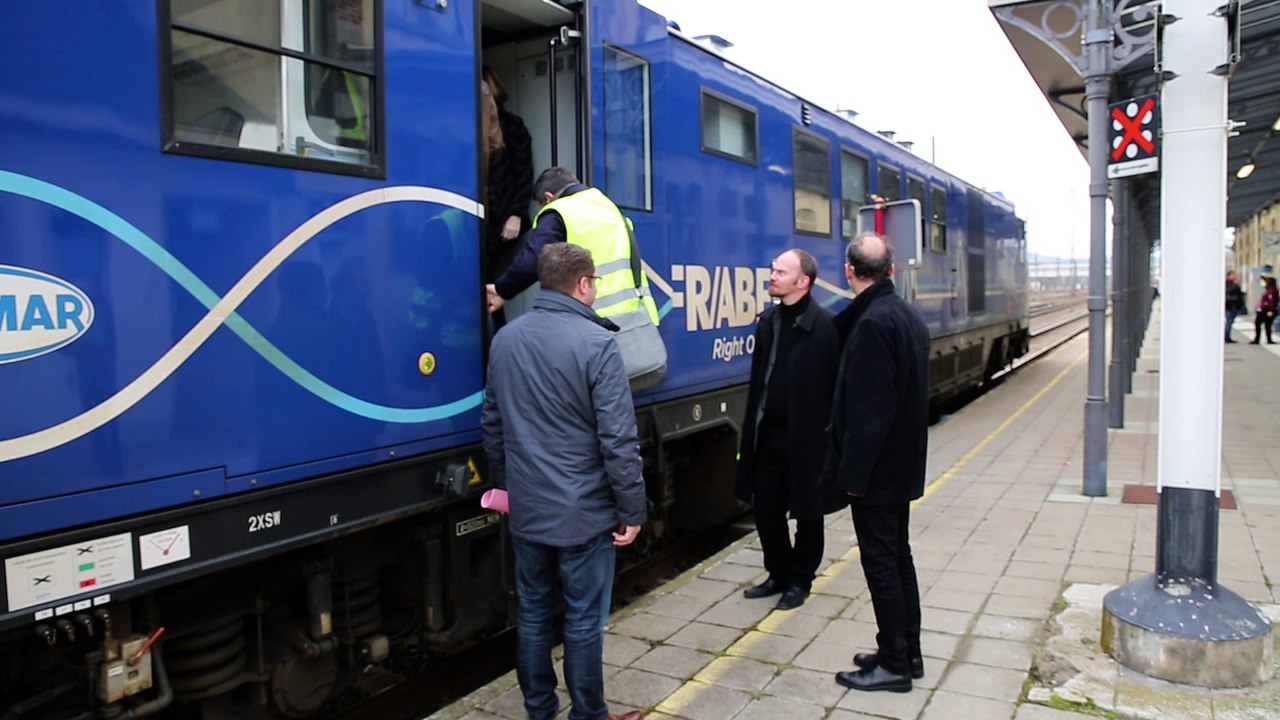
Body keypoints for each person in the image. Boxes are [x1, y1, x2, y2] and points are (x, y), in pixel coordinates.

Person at [481, 243, 647, 720]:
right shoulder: (597, 344)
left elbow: (492, 425)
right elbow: (618, 439)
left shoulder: (507, 339)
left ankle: (539, 709)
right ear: (584, 284)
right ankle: (589, 715)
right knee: (582, 621)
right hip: (585, 513)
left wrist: (508, 486)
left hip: (528, 509)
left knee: (532, 613)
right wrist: (632, 510)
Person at [824, 232, 929, 694]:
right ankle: (907, 651)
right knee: (899, 559)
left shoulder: (871, 324)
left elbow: (870, 412)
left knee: (882, 564)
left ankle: (893, 666)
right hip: (902, 465)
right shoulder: (905, 315)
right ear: (891, 269)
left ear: (849, 271)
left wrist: (853, 479)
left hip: (879, 473)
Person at [736, 249, 844, 611]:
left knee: (808, 513)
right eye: (773, 269)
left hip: (808, 441)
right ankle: (777, 573)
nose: (772, 275)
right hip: (768, 436)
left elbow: (836, 388)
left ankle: (801, 580)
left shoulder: (826, 327)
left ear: (803, 282)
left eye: (781, 272)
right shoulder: (768, 322)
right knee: (767, 510)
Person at [485, 167, 659, 329]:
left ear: (547, 197)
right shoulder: (607, 205)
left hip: (594, 322)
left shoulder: (560, 210)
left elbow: (532, 260)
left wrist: (502, 290)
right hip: (636, 319)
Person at [482, 66, 534, 282]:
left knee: (492, 278)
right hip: (487, 209)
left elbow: (523, 171)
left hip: (503, 211)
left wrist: (516, 214)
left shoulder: (512, 125)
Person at [1252, 276, 1277, 344]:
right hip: (1265, 310)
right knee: (1267, 325)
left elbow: (1271, 301)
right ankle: (1268, 340)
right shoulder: (1271, 289)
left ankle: (1258, 339)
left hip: (1265, 310)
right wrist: (1262, 277)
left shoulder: (1271, 291)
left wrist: (1271, 310)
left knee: (1260, 324)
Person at [1225, 270, 1247, 343]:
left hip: (1232, 305)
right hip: (1231, 305)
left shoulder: (1232, 284)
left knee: (1230, 321)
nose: (1235, 276)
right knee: (1229, 321)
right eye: (1233, 275)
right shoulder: (1230, 285)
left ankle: (1227, 336)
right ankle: (1226, 337)